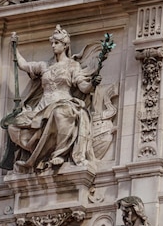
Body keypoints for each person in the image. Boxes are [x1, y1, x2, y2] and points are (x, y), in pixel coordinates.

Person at [7, 25, 101, 172]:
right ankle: (39, 153)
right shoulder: (45, 65)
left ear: (65, 45)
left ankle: (60, 153)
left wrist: (92, 84)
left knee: (59, 113)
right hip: (42, 106)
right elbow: (23, 65)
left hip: (63, 102)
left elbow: (83, 87)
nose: (53, 45)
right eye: (52, 42)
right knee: (14, 126)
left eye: (56, 43)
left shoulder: (72, 65)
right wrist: (14, 47)